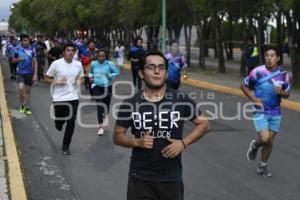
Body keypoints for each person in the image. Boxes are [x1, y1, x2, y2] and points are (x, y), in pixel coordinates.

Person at [113, 51, 210, 200]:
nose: (157, 71)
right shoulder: (131, 103)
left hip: (171, 179)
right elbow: (117, 136)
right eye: (151, 67)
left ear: (166, 73)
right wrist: (137, 142)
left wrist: (184, 143)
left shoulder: (180, 99)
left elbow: (204, 123)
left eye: (161, 67)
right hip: (140, 178)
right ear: (141, 73)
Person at [240, 47, 291, 177]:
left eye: (272, 55)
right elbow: (243, 86)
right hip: (260, 109)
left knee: (270, 142)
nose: (269, 58)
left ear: (278, 58)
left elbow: (287, 94)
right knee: (264, 138)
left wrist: (282, 92)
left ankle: (262, 166)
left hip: (275, 111)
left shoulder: (284, 74)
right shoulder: (257, 71)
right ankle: (255, 145)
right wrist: (253, 99)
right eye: (267, 55)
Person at [44, 42, 84, 155]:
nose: (70, 52)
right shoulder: (56, 64)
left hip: (73, 97)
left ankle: (66, 145)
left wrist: (79, 81)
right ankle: (58, 123)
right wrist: (57, 81)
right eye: (68, 50)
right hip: (59, 98)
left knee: (71, 121)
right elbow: (46, 78)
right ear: (63, 52)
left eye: (72, 50)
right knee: (60, 120)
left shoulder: (78, 64)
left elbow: (82, 77)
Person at [89, 49, 120, 135]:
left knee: (106, 106)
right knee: (100, 106)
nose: (101, 58)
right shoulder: (93, 64)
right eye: (99, 56)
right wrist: (91, 78)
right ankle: (100, 127)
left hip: (107, 87)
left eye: (103, 56)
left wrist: (109, 75)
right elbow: (90, 73)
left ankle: (105, 116)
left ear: (105, 57)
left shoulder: (109, 64)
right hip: (97, 86)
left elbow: (117, 72)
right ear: (97, 56)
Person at [12, 34, 38, 115]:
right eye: (25, 40)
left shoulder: (32, 49)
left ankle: (27, 107)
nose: (27, 42)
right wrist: (18, 59)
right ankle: (22, 105)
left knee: (28, 91)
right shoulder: (17, 49)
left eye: (27, 40)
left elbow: (35, 61)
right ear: (21, 41)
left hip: (29, 73)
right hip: (20, 72)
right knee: (20, 88)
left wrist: (35, 74)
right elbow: (13, 60)